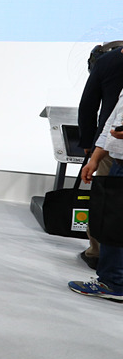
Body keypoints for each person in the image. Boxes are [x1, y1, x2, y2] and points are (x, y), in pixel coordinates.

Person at [71, 88, 123, 302]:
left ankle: (114, 282)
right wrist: (95, 158)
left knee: (115, 224)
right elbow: (111, 122)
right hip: (118, 162)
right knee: (111, 223)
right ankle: (112, 279)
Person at [76, 46, 123, 270]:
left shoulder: (107, 62)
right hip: (108, 143)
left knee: (105, 202)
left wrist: (89, 143)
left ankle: (97, 253)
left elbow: (88, 104)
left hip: (108, 146)